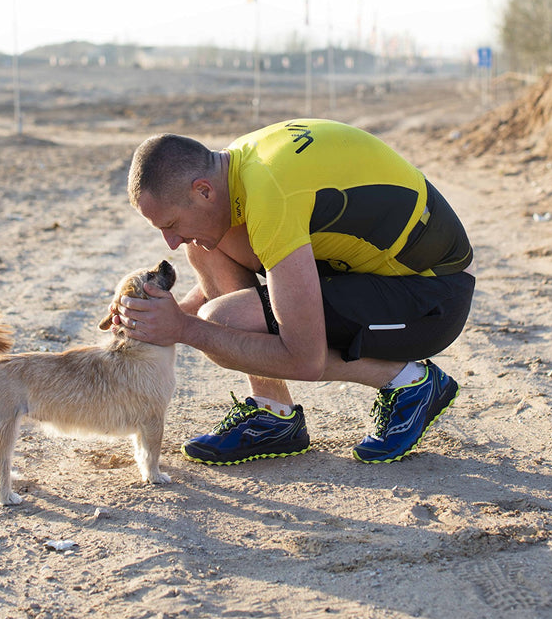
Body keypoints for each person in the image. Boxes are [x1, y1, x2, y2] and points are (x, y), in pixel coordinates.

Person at [116, 118, 475, 467]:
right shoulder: (238, 163)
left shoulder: (271, 197)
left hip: (433, 295)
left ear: (203, 190)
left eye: (171, 225)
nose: (171, 243)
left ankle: (410, 382)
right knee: (205, 244)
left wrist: (185, 329)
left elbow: (305, 359)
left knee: (223, 322)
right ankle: (274, 414)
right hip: (376, 268)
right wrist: (166, 314)